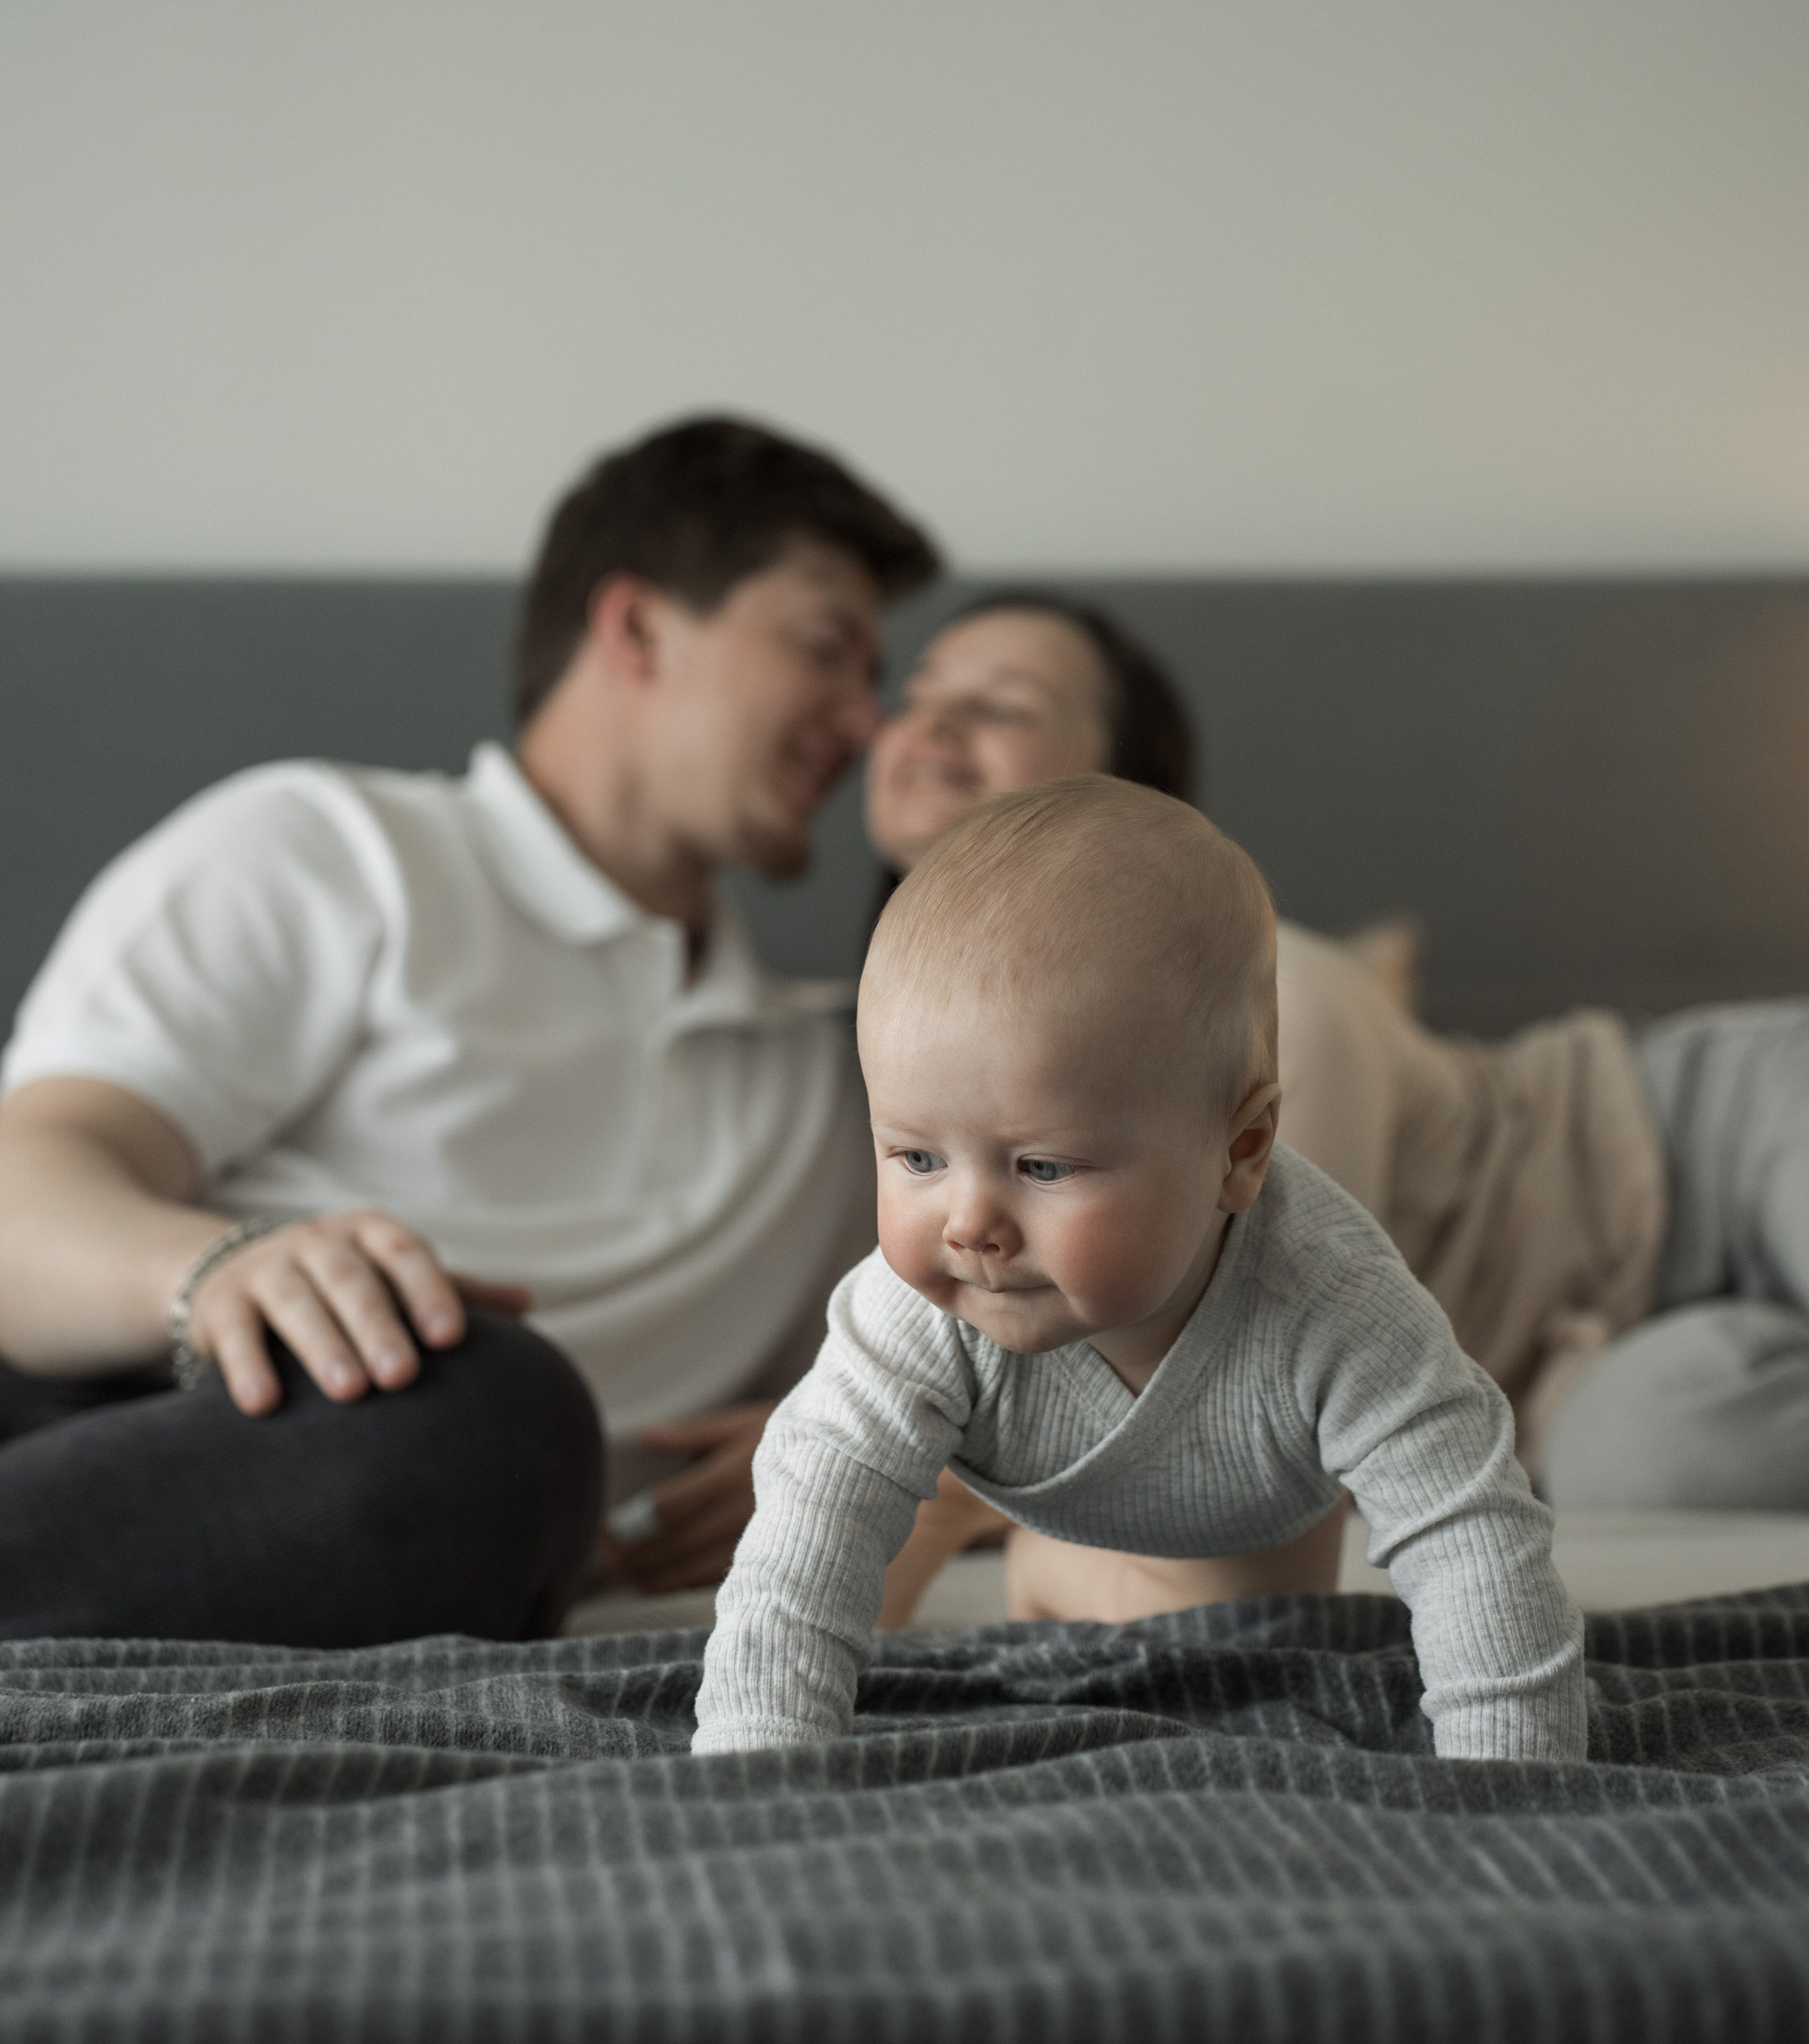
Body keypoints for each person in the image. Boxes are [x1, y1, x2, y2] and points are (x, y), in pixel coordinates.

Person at [0, 416, 937, 1644]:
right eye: (826, 650)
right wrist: (219, 1269)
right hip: (110, 1397)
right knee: (489, 1405)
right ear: (637, 627)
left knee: (489, 1415)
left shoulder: (845, 1087)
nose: (864, 722)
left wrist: (848, 1439)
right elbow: (26, 1189)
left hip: (434, 1496)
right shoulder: (338, 849)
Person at [863, 592, 1809, 1631]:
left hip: (1695, 1137)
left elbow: (1238, 1372)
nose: (934, 724)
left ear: (1131, 791)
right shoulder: (912, 1096)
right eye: (919, 694)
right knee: (1652, 1459)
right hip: (1575, 1368)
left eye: (1001, 704)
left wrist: (920, 1458)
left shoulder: (1256, 1013)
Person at [694, 780, 1584, 1761]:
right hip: (994, 1442)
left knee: (1258, 1646)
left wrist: (1519, 1780)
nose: (970, 1225)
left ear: (1240, 1154)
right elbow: (799, 1550)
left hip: (1255, 1475)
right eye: (916, 1158)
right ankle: (1000, 1533)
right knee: (856, 1545)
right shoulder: (914, 1312)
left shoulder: (1333, 1302)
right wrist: (757, 1763)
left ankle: (1052, 1574)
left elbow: (1473, 1535)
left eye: (1041, 1166)